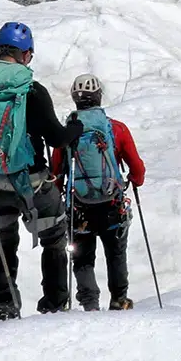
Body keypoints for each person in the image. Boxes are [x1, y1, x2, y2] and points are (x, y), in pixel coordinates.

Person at [0, 22, 76, 318]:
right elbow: (57, 138)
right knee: (54, 237)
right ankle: (54, 303)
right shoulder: (31, 90)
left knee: (3, 243)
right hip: (33, 181)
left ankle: (6, 304)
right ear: (26, 55)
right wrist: (75, 128)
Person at [55, 74, 147, 311]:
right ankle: (119, 298)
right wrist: (134, 179)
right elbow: (136, 167)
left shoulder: (67, 132)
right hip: (111, 203)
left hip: (79, 206)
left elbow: (56, 171)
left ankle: (89, 302)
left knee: (83, 256)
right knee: (115, 251)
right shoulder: (115, 129)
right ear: (99, 97)